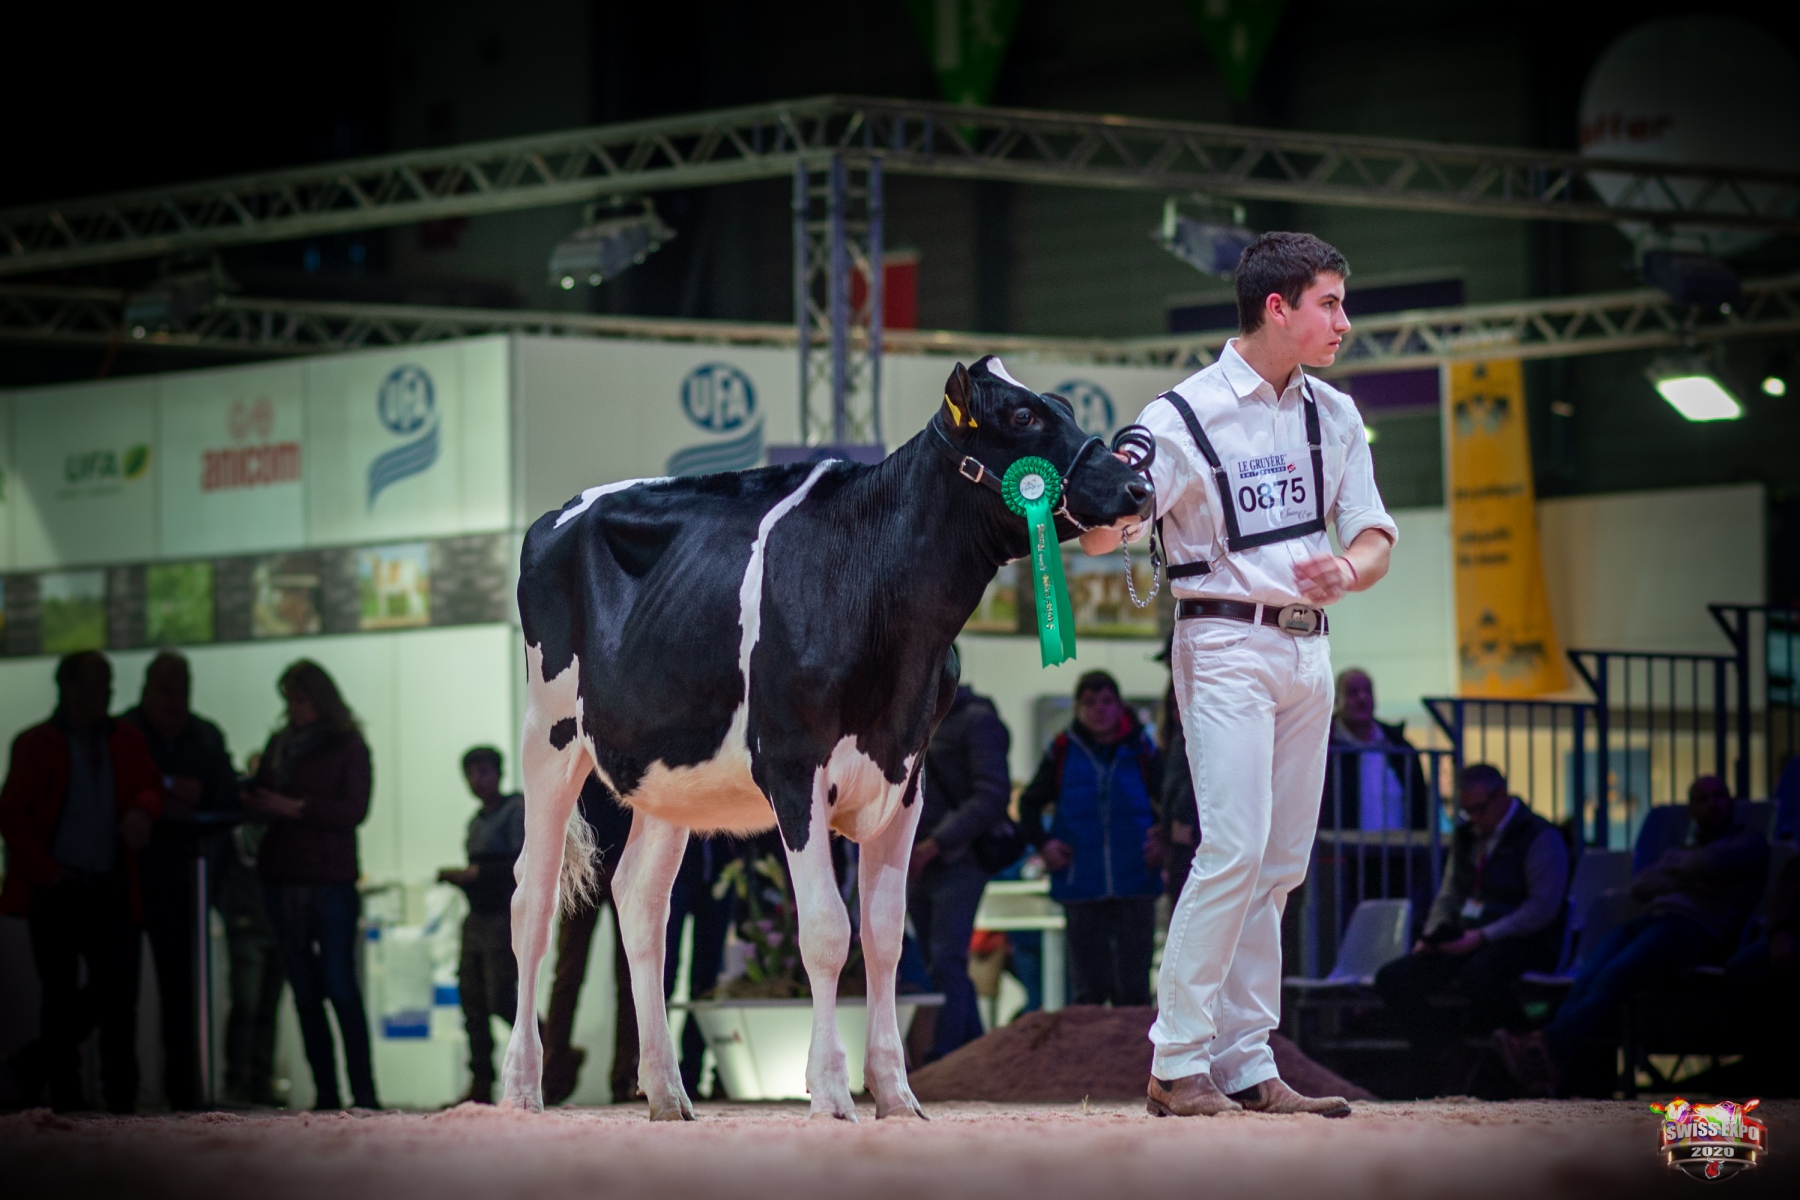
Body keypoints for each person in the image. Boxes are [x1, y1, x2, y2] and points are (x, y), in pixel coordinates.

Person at [1081, 231, 1396, 1118]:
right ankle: (1176, 1060)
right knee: (1234, 847)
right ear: (1277, 308)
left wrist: (1351, 570)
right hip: (1222, 642)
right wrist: (1098, 509)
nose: (1344, 321)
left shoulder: (1335, 414)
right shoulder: (1179, 416)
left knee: (1281, 862)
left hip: (1309, 648)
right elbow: (1106, 533)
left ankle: (1247, 1060)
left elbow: (1374, 534)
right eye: (1329, 303)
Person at [1495, 775, 1768, 1097]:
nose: (1712, 805)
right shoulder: (1685, 850)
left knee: (1613, 976)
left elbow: (1710, 862)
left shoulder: (1748, 843)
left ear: (1732, 802)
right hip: (1652, 921)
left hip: (1696, 930)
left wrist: (1676, 871)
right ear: (1691, 810)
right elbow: (1641, 886)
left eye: (1719, 796)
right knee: (1587, 976)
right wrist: (1693, 874)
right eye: (1702, 799)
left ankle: (1546, 1046)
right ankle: (1549, 1054)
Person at [0, 651, 163, 1112]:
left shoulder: (125, 740)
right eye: (97, 682)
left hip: (110, 883)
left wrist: (142, 810)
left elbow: (149, 786)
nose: (107, 691)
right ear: (69, 687)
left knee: (117, 994)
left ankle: (118, 1099)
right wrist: (45, 871)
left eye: (108, 681)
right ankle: (66, 1100)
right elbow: (13, 814)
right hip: (58, 888)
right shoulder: (36, 744)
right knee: (60, 993)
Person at [1373, 764, 1568, 1093]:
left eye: (1479, 809)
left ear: (1501, 796)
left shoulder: (1540, 836)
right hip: (1471, 936)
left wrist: (1483, 937)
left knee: (1479, 975)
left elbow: (1541, 909)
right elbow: (1450, 894)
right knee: (1394, 978)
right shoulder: (1467, 836)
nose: (1474, 819)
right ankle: (1447, 1055)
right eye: (1466, 811)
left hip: (1525, 940)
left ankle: (1528, 1051)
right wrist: (1433, 934)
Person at [243, 660, 378, 1110]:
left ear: (320, 699)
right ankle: (328, 1093)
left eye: (300, 700)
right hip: (285, 877)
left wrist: (293, 807)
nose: (293, 709)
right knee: (305, 992)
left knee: (339, 986)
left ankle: (362, 1092)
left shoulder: (347, 744)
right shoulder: (283, 742)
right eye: (290, 701)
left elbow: (354, 810)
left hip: (327, 878)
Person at [121, 650, 240, 1110]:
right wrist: (170, 790)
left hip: (185, 883)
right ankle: (118, 1098)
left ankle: (184, 1097)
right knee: (117, 995)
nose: (175, 701)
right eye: (167, 691)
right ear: (146, 690)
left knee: (182, 994)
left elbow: (225, 793)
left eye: (182, 691)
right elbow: (121, 793)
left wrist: (190, 794)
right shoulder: (123, 734)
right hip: (127, 881)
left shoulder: (205, 735)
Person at [1019, 670, 1164, 1007]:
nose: (1099, 709)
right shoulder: (1062, 750)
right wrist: (1044, 844)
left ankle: (1132, 1043)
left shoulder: (1141, 748)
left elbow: (1172, 800)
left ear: (1119, 706)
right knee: (1088, 990)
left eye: (1106, 701)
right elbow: (1029, 803)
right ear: (1077, 708)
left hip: (1135, 881)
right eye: (1090, 702)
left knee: (1134, 989)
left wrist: (1164, 842)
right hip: (1081, 884)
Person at [907, 676, 1011, 1061]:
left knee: (945, 959)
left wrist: (936, 843)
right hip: (920, 858)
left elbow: (992, 794)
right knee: (937, 962)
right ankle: (971, 1053)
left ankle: (947, 1055)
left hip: (957, 858)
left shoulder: (975, 720)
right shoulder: (911, 718)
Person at [541, 775, 640, 1105]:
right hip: (584, 866)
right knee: (568, 975)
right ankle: (554, 1074)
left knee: (627, 978)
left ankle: (627, 1076)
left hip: (623, 862)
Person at [437, 746, 525, 1105]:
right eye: (471, 774)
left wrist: (477, 874)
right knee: (471, 1000)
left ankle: (552, 1051)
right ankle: (481, 1081)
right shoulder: (476, 822)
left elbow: (521, 864)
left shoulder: (515, 810)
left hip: (504, 916)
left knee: (501, 998)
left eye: (484, 772)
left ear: (499, 773)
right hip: (476, 917)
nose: (477, 780)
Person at [1322, 669, 1431, 833]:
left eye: (1368, 691)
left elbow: (1419, 803)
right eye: (1352, 692)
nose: (1362, 698)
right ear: (1336, 699)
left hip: (1399, 847)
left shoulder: (1399, 747)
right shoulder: (1323, 747)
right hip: (1339, 846)